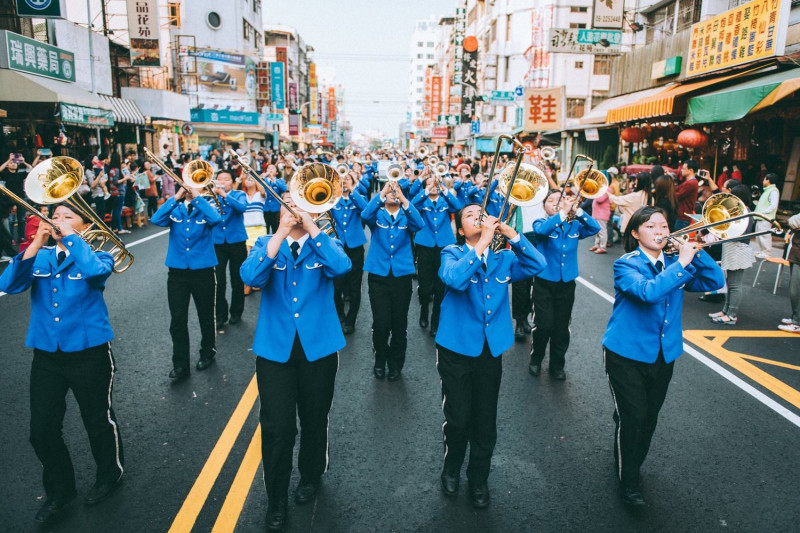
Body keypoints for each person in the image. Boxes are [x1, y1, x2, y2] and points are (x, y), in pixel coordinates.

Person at [0, 204, 125, 523]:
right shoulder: (39, 255)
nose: (57, 221)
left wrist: (70, 238)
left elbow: (96, 273)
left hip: (89, 351)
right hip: (47, 353)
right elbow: (9, 285)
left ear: (84, 227)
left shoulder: (99, 254)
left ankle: (109, 474)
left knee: (97, 420)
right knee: (41, 429)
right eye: (54, 216)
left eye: (68, 217)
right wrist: (35, 243)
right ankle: (61, 489)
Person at [240, 191, 351, 532]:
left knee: (314, 418)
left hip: (318, 346)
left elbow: (342, 266)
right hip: (276, 349)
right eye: (286, 201)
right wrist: (280, 234)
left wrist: (312, 227)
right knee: (277, 427)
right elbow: (251, 277)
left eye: (298, 201)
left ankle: (311, 475)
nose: (292, 206)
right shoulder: (266, 244)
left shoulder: (324, 241)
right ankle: (275, 499)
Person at [602, 206, 724, 507]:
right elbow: (648, 293)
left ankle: (632, 459)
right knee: (634, 419)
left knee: (648, 419)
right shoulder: (625, 264)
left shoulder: (674, 262)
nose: (660, 231)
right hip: (625, 354)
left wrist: (697, 251)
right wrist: (681, 263)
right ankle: (628, 481)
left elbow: (714, 281)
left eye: (664, 225)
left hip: (663, 354)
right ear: (635, 233)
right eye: (651, 226)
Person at [435, 204, 546, 508]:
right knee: (458, 418)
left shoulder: (505, 257)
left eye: (483, 214)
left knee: (485, 419)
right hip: (456, 348)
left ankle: (479, 478)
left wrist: (511, 233)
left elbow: (538, 264)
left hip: (490, 349)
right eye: (471, 216)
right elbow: (455, 280)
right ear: (460, 230)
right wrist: (482, 242)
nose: (480, 218)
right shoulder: (451, 252)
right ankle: (451, 467)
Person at [151, 184, 222, 380]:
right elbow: (156, 219)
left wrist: (197, 197)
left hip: (203, 270)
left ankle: (208, 352)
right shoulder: (175, 208)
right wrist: (176, 197)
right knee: (177, 319)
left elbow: (216, 219)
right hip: (177, 272)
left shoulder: (206, 206)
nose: (190, 189)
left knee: (206, 315)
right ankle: (180, 364)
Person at [529, 190, 600, 380]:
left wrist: (578, 211)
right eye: (550, 200)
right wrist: (561, 213)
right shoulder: (541, 222)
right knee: (543, 325)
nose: (555, 202)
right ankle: (536, 358)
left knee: (561, 327)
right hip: (544, 281)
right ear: (543, 206)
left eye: (559, 200)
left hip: (567, 282)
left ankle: (557, 365)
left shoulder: (574, 225)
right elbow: (542, 232)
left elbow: (595, 228)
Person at [361, 180, 424, 381]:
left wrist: (404, 198)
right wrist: (382, 193)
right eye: (390, 192)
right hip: (378, 276)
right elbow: (365, 215)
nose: (393, 194)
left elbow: (419, 224)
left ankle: (396, 364)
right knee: (381, 324)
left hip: (401, 276)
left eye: (396, 192)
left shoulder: (407, 214)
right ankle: (380, 359)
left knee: (399, 324)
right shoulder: (377, 214)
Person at [412, 173, 461, 337]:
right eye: (430, 183)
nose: (433, 185)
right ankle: (424, 308)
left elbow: (457, 206)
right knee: (425, 286)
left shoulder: (445, 199)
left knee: (441, 286)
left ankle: (436, 321)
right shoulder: (422, 199)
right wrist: (426, 190)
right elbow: (412, 206)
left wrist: (444, 189)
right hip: (425, 244)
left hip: (444, 244)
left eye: (436, 183)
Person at [708, 184, 756, 325]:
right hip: (732, 249)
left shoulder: (746, 213)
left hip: (738, 250)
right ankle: (725, 311)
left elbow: (739, 234)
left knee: (735, 285)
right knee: (731, 283)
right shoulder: (741, 212)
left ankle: (732, 315)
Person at [330, 171, 368, 334]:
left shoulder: (358, 196)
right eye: (342, 179)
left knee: (354, 287)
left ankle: (351, 320)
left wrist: (352, 190)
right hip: (337, 245)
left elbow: (365, 210)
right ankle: (339, 313)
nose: (344, 181)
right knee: (335, 286)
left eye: (348, 179)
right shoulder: (332, 199)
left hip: (355, 246)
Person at [212, 170, 248, 328]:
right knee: (218, 281)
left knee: (237, 280)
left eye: (226, 180)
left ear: (232, 182)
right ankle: (220, 314)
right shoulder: (210, 197)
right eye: (219, 179)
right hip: (217, 243)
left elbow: (242, 208)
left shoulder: (238, 194)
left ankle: (236, 312)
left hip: (236, 242)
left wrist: (224, 195)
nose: (222, 182)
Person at [778, 211, 800, 333]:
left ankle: (797, 322)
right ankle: (795, 317)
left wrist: (794, 221)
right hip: (796, 253)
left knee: (796, 290)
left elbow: (794, 221)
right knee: (795, 288)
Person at [752, 173, 780, 259]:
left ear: (768, 180)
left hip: (766, 218)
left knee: (765, 236)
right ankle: (762, 250)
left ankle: (766, 252)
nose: (763, 181)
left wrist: (763, 212)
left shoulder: (773, 191)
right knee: (760, 235)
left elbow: (773, 205)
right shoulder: (768, 190)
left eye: (764, 179)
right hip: (761, 217)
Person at [261, 164, 286, 234]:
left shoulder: (280, 181)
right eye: (269, 168)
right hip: (265, 208)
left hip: (276, 209)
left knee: (276, 230)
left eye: (273, 168)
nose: (271, 170)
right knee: (265, 230)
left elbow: (284, 189)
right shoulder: (264, 180)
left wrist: (274, 180)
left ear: (277, 172)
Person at [675, 160, 700, 230]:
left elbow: (677, 195)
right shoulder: (690, 182)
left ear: (690, 170)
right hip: (683, 216)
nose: (681, 170)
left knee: (676, 239)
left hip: (683, 217)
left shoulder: (691, 183)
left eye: (683, 168)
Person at [590, 184, 611, 254]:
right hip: (597, 214)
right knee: (597, 231)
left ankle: (602, 247)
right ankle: (597, 245)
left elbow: (599, 199)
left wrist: (596, 192)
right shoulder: (601, 190)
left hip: (602, 214)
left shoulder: (607, 189)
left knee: (602, 231)